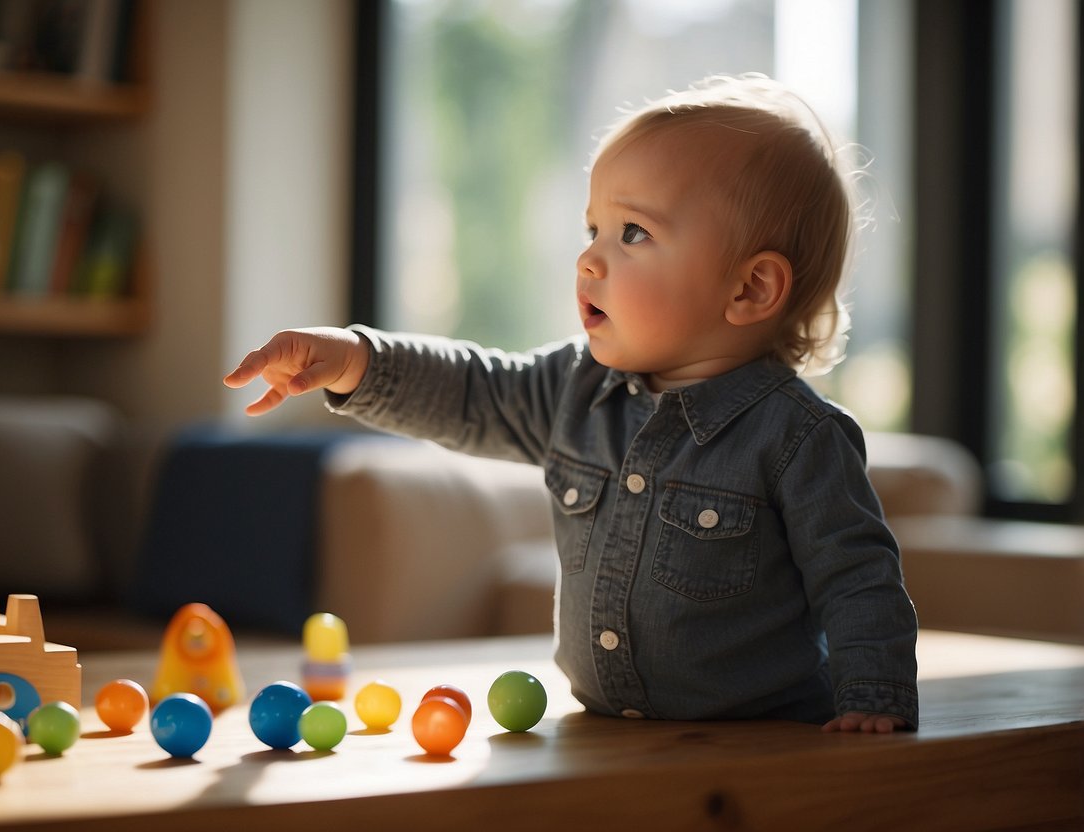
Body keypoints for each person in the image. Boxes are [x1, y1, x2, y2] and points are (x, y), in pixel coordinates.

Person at [224, 74, 918, 733]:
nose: (588, 260)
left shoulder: (797, 437)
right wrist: (352, 359)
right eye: (592, 230)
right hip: (606, 737)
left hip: (764, 745)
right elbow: (472, 391)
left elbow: (856, 578)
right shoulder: (575, 389)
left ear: (749, 290)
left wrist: (871, 699)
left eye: (632, 233)